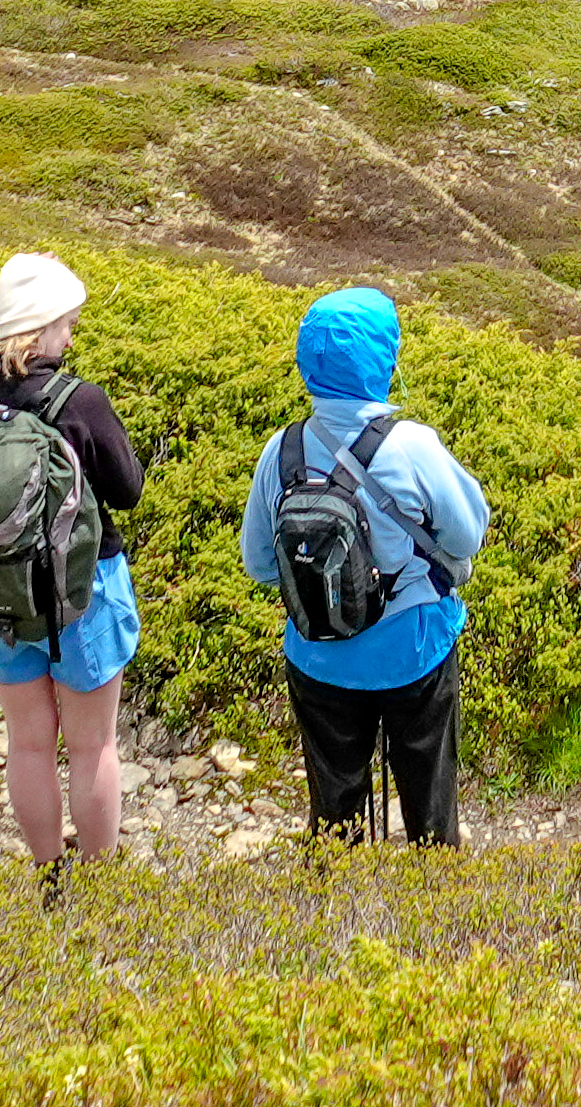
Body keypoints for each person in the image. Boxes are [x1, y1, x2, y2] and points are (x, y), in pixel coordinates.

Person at [237, 284, 493, 844]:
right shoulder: (413, 446)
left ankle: (339, 908)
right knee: (431, 806)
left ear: (308, 363)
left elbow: (258, 563)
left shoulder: (282, 450)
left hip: (317, 658)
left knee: (334, 816)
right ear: (383, 358)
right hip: (412, 652)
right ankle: (440, 904)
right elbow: (469, 533)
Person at [0, 251, 148, 874]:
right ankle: (101, 882)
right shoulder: (79, 402)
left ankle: (47, 877)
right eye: (67, 322)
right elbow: (128, 489)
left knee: (27, 744)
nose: (72, 334)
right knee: (92, 746)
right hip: (80, 590)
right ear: (47, 324)